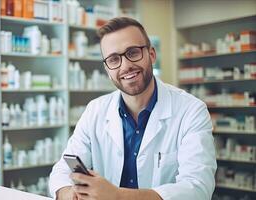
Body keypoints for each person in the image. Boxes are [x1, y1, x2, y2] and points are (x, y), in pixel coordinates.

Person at [49, 17, 217, 200]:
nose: (126, 66)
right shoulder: (95, 111)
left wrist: (117, 196)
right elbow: (62, 170)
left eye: (133, 52)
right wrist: (69, 194)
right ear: (107, 69)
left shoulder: (191, 111)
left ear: (151, 54)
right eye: (114, 59)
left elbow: (197, 189)